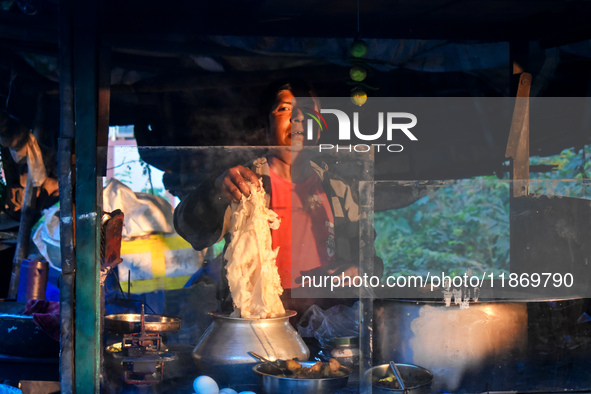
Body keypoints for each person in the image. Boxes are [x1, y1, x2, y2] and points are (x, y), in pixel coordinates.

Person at [174, 78, 382, 317]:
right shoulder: (242, 183)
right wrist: (215, 191)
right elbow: (189, 230)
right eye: (284, 109)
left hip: (325, 326)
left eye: (308, 111)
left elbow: (370, 261)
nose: (299, 117)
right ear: (265, 130)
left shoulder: (339, 190)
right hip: (259, 323)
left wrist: (359, 271)